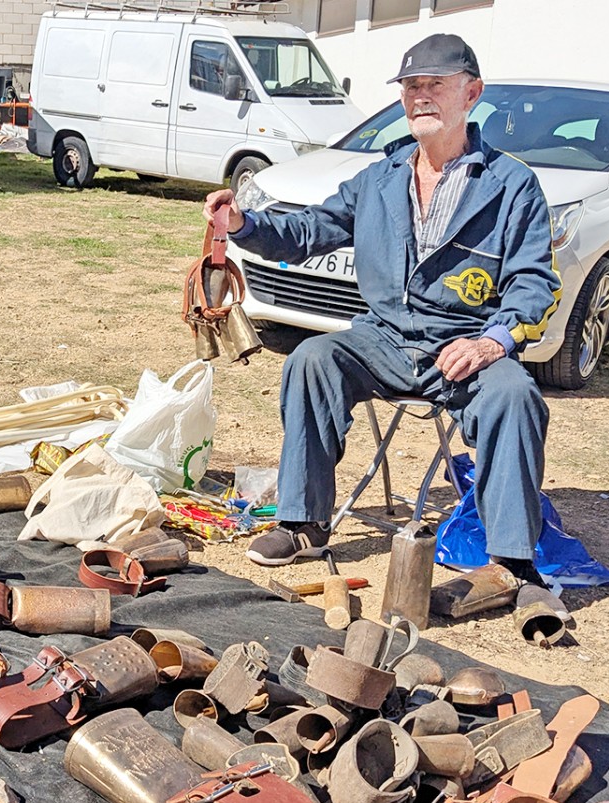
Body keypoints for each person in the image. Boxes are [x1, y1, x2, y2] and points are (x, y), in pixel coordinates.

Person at [202, 33, 561, 588]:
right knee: (311, 359)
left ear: (472, 94)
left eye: (434, 86)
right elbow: (307, 230)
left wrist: (494, 342)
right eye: (411, 87)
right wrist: (244, 225)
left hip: (465, 344)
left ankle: (511, 562)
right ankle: (303, 524)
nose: (420, 98)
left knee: (516, 395)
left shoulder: (513, 187)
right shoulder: (380, 178)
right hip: (385, 338)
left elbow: (535, 284)